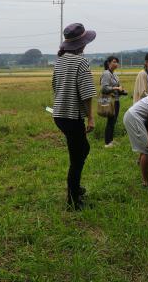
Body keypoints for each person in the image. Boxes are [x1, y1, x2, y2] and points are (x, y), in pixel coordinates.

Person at [52, 23, 97, 210]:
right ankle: (73, 199)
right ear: (82, 44)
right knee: (78, 156)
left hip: (60, 115)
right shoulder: (81, 61)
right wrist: (91, 117)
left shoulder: (59, 60)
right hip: (72, 116)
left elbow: (54, 86)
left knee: (81, 149)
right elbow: (86, 93)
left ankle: (75, 188)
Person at [100, 56, 126, 148]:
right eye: (114, 62)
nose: (116, 64)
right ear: (108, 63)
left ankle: (110, 140)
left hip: (116, 100)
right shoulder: (106, 73)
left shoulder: (114, 75)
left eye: (117, 62)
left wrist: (121, 91)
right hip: (110, 100)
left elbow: (116, 87)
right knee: (110, 121)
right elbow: (104, 88)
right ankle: (107, 142)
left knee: (113, 121)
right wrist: (116, 88)